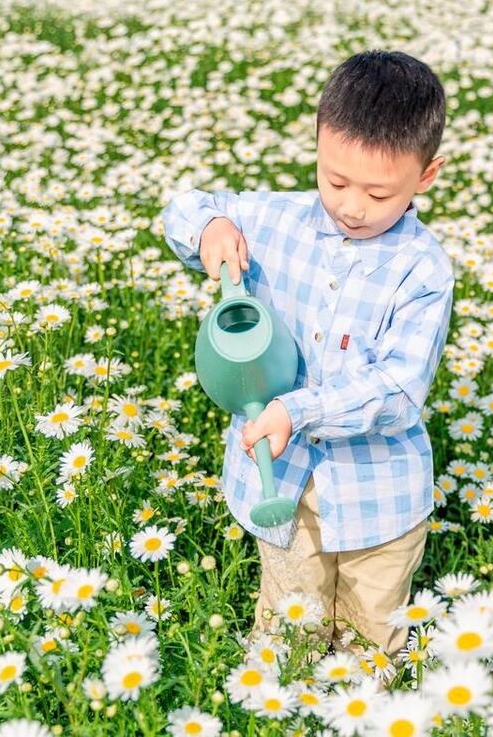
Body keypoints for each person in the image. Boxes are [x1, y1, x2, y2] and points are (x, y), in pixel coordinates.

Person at [160, 49, 455, 665]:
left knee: (370, 635)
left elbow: (400, 389)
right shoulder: (275, 219)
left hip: (381, 497)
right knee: (290, 622)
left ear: (426, 176)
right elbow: (185, 205)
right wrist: (210, 226)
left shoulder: (422, 269)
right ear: (318, 144)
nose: (351, 206)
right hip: (284, 484)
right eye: (335, 180)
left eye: (379, 193)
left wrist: (299, 410)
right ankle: (282, 706)